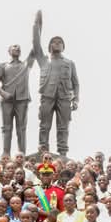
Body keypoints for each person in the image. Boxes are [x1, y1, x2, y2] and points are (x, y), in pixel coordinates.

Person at [32, 10, 79, 156]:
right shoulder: (43, 60)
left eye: (60, 42)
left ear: (63, 47)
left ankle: (62, 152)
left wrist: (76, 99)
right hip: (47, 96)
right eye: (54, 42)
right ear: (49, 46)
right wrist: (36, 25)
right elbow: (36, 43)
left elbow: (76, 83)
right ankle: (43, 149)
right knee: (44, 125)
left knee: (63, 126)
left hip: (64, 97)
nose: (57, 43)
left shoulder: (69, 63)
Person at [0, 44, 35, 156]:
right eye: (14, 47)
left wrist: (37, 32)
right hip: (7, 100)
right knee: (6, 128)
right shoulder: (2, 66)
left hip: (22, 99)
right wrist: (3, 93)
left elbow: (35, 48)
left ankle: (22, 153)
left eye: (19, 48)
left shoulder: (26, 64)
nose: (17, 49)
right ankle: (6, 153)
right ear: (9, 51)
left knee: (21, 128)